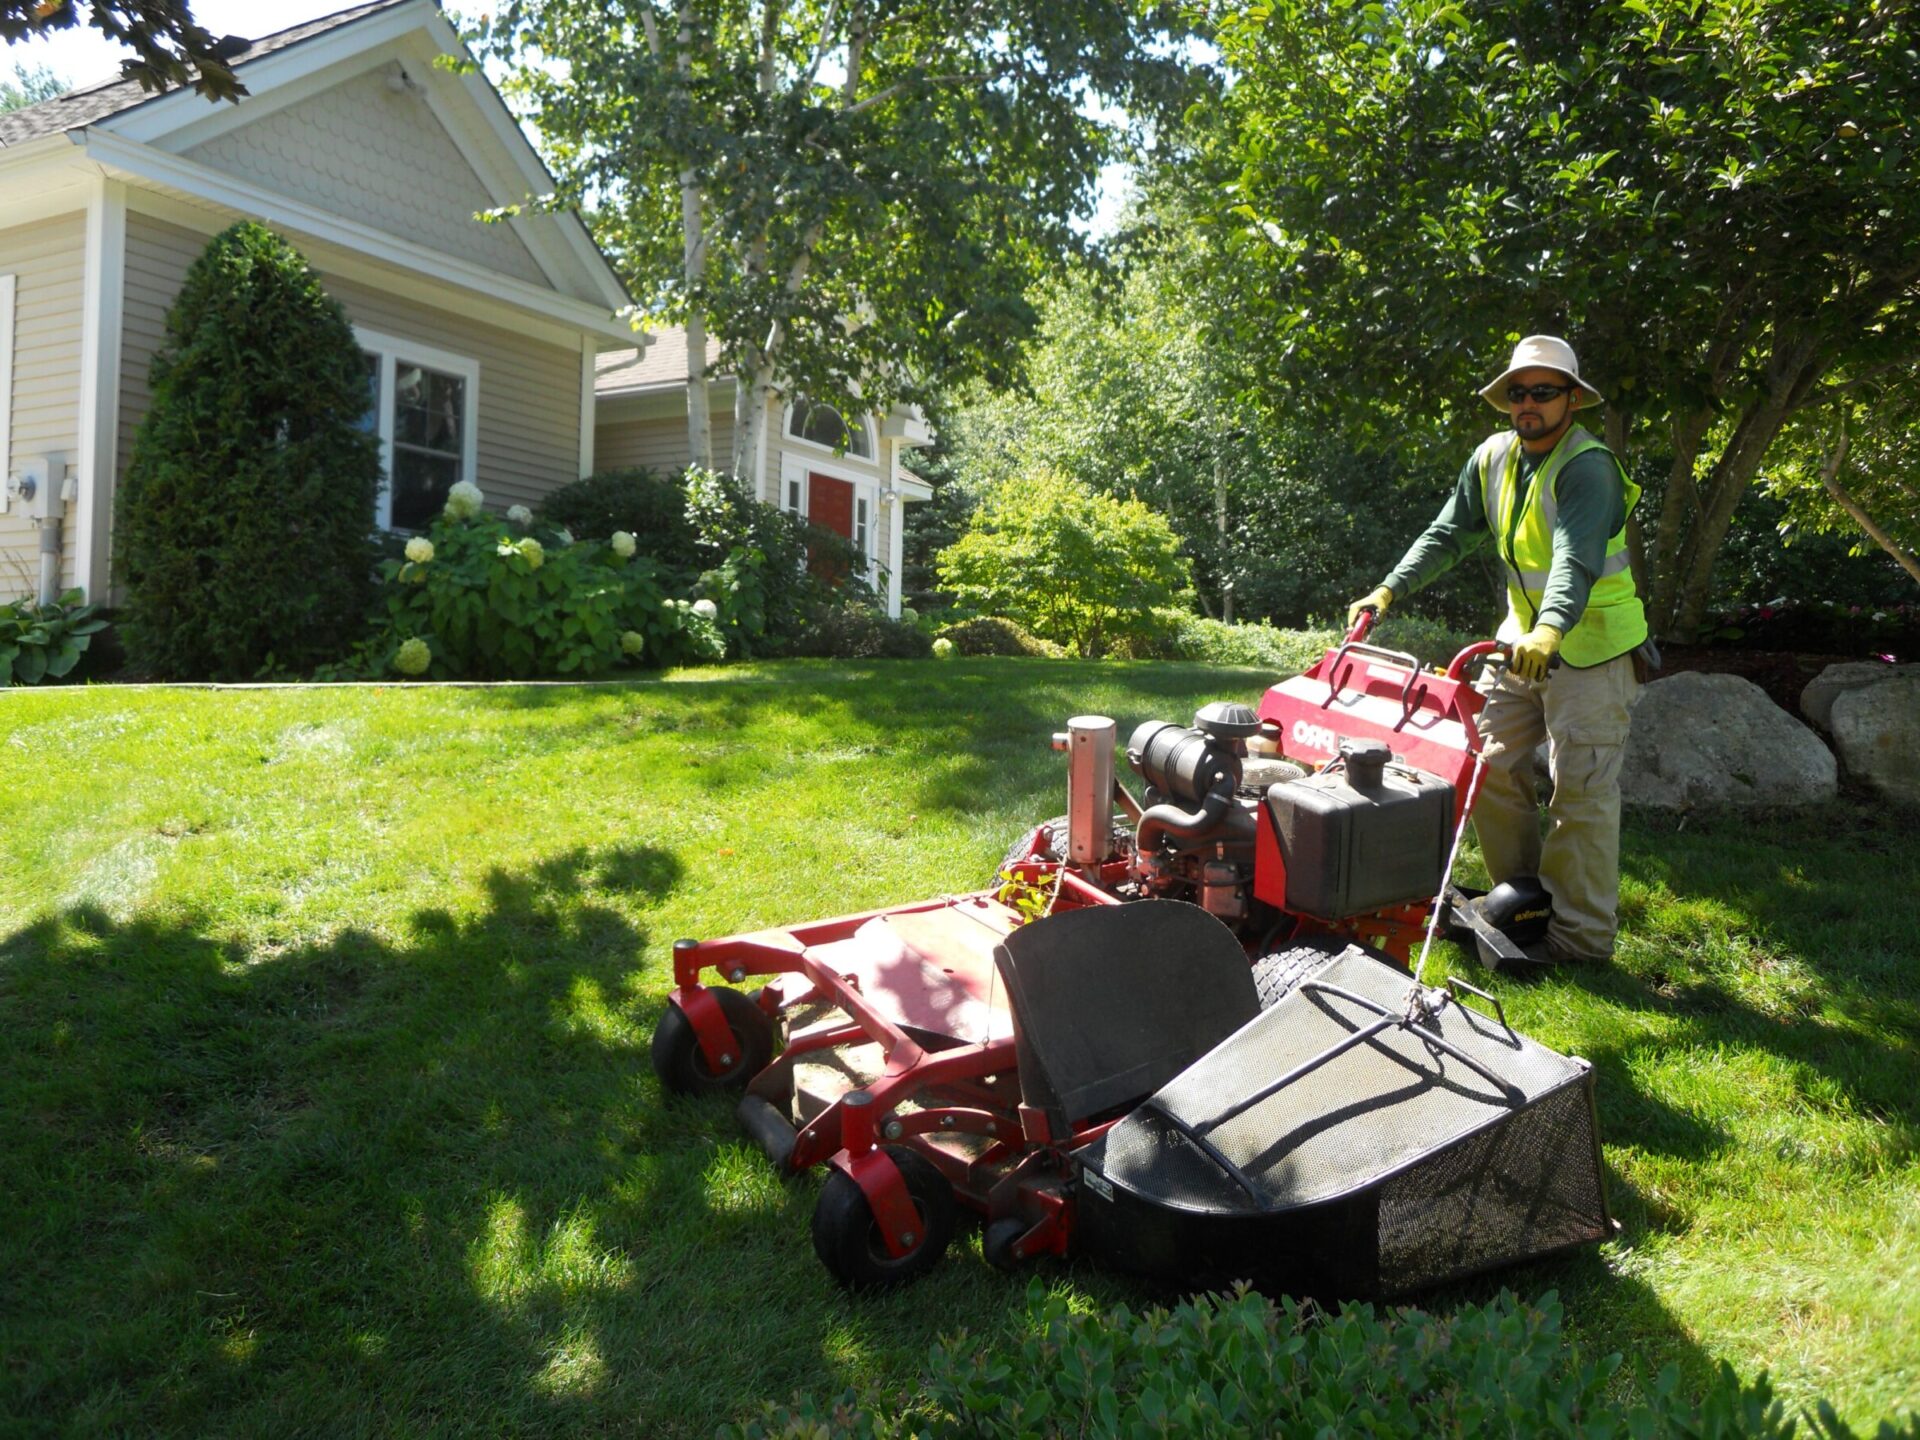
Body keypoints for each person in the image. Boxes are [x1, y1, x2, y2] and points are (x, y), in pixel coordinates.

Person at [1347, 336, 1649, 963]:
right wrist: (1387, 590)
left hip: (1592, 649)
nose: (1529, 403)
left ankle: (1580, 941)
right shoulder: (1493, 458)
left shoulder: (1587, 467)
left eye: (1544, 391)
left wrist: (1552, 627)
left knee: (1582, 795)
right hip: (1520, 645)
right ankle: (1526, 902)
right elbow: (1448, 532)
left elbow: (1575, 557)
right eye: (1519, 393)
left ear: (1572, 399)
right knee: (1488, 766)